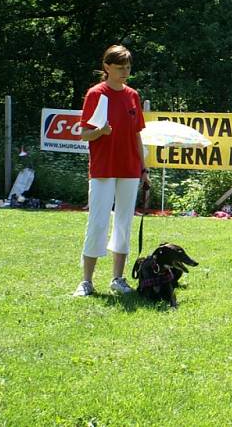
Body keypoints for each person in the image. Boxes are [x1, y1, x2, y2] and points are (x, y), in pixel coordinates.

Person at [73, 45, 151, 297]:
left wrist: (144, 168)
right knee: (97, 223)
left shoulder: (132, 95)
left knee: (124, 224)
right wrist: (100, 132)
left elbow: (137, 135)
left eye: (128, 67)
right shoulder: (96, 94)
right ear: (107, 67)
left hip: (129, 168)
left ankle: (118, 278)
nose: (125, 72)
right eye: (120, 68)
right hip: (103, 168)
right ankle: (86, 282)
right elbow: (84, 134)